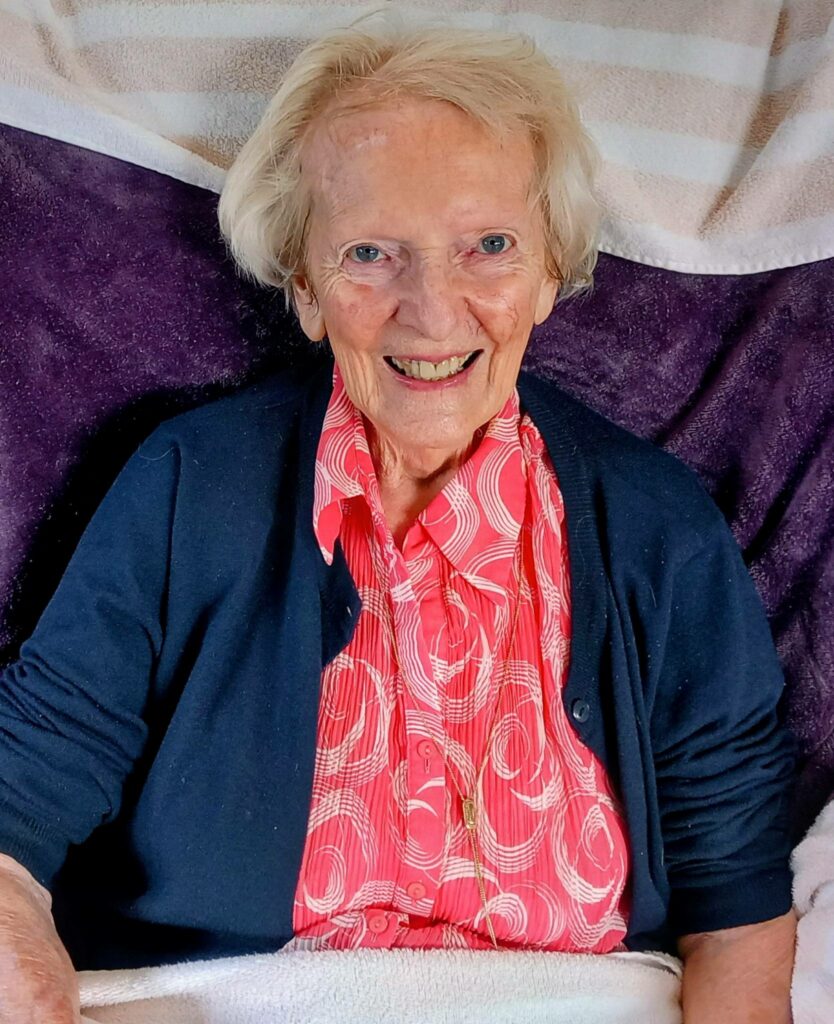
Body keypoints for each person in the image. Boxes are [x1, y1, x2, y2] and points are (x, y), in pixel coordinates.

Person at [0, 14, 796, 1024]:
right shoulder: (188, 485)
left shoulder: (660, 527)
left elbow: (737, 911)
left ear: (552, 268)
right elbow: (14, 813)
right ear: (305, 286)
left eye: (490, 246)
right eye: (372, 253)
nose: (433, 309)